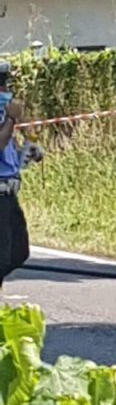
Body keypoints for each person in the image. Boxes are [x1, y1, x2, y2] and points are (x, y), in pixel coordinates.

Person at [0, 61, 30, 291]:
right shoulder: (6, 114)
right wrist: (11, 119)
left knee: (19, 252)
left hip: (9, 193)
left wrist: (25, 153)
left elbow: (7, 150)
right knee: (2, 258)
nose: (5, 88)